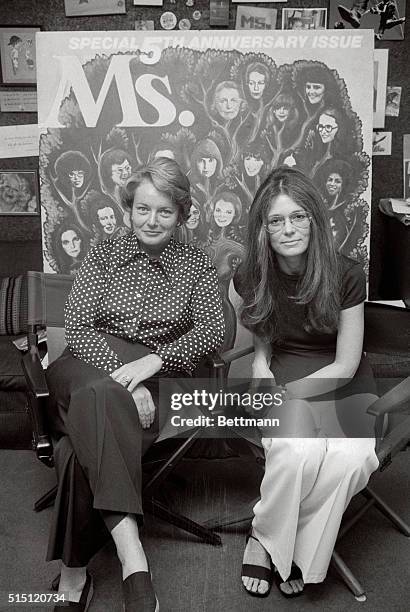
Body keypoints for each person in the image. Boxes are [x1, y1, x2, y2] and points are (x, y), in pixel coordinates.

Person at [45, 157, 225, 611]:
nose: (152, 220)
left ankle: (73, 576)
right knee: (100, 393)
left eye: (164, 211)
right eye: (143, 209)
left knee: (73, 447)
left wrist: (153, 362)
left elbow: (211, 331)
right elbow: (79, 326)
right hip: (87, 364)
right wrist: (125, 380)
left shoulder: (194, 264)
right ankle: (133, 557)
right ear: (129, 209)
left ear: (181, 215)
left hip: (160, 378)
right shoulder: (104, 255)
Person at [237, 166, 378, 599]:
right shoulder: (251, 273)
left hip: (342, 377)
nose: (289, 229)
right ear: (263, 228)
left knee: (351, 460)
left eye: (298, 216)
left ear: (315, 218)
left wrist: (292, 394)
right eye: (276, 220)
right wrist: (261, 366)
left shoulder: (347, 273)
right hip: (287, 368)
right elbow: (263, 334)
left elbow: (346, 362)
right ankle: (267, 539)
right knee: (298, 450)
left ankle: (288, 545)